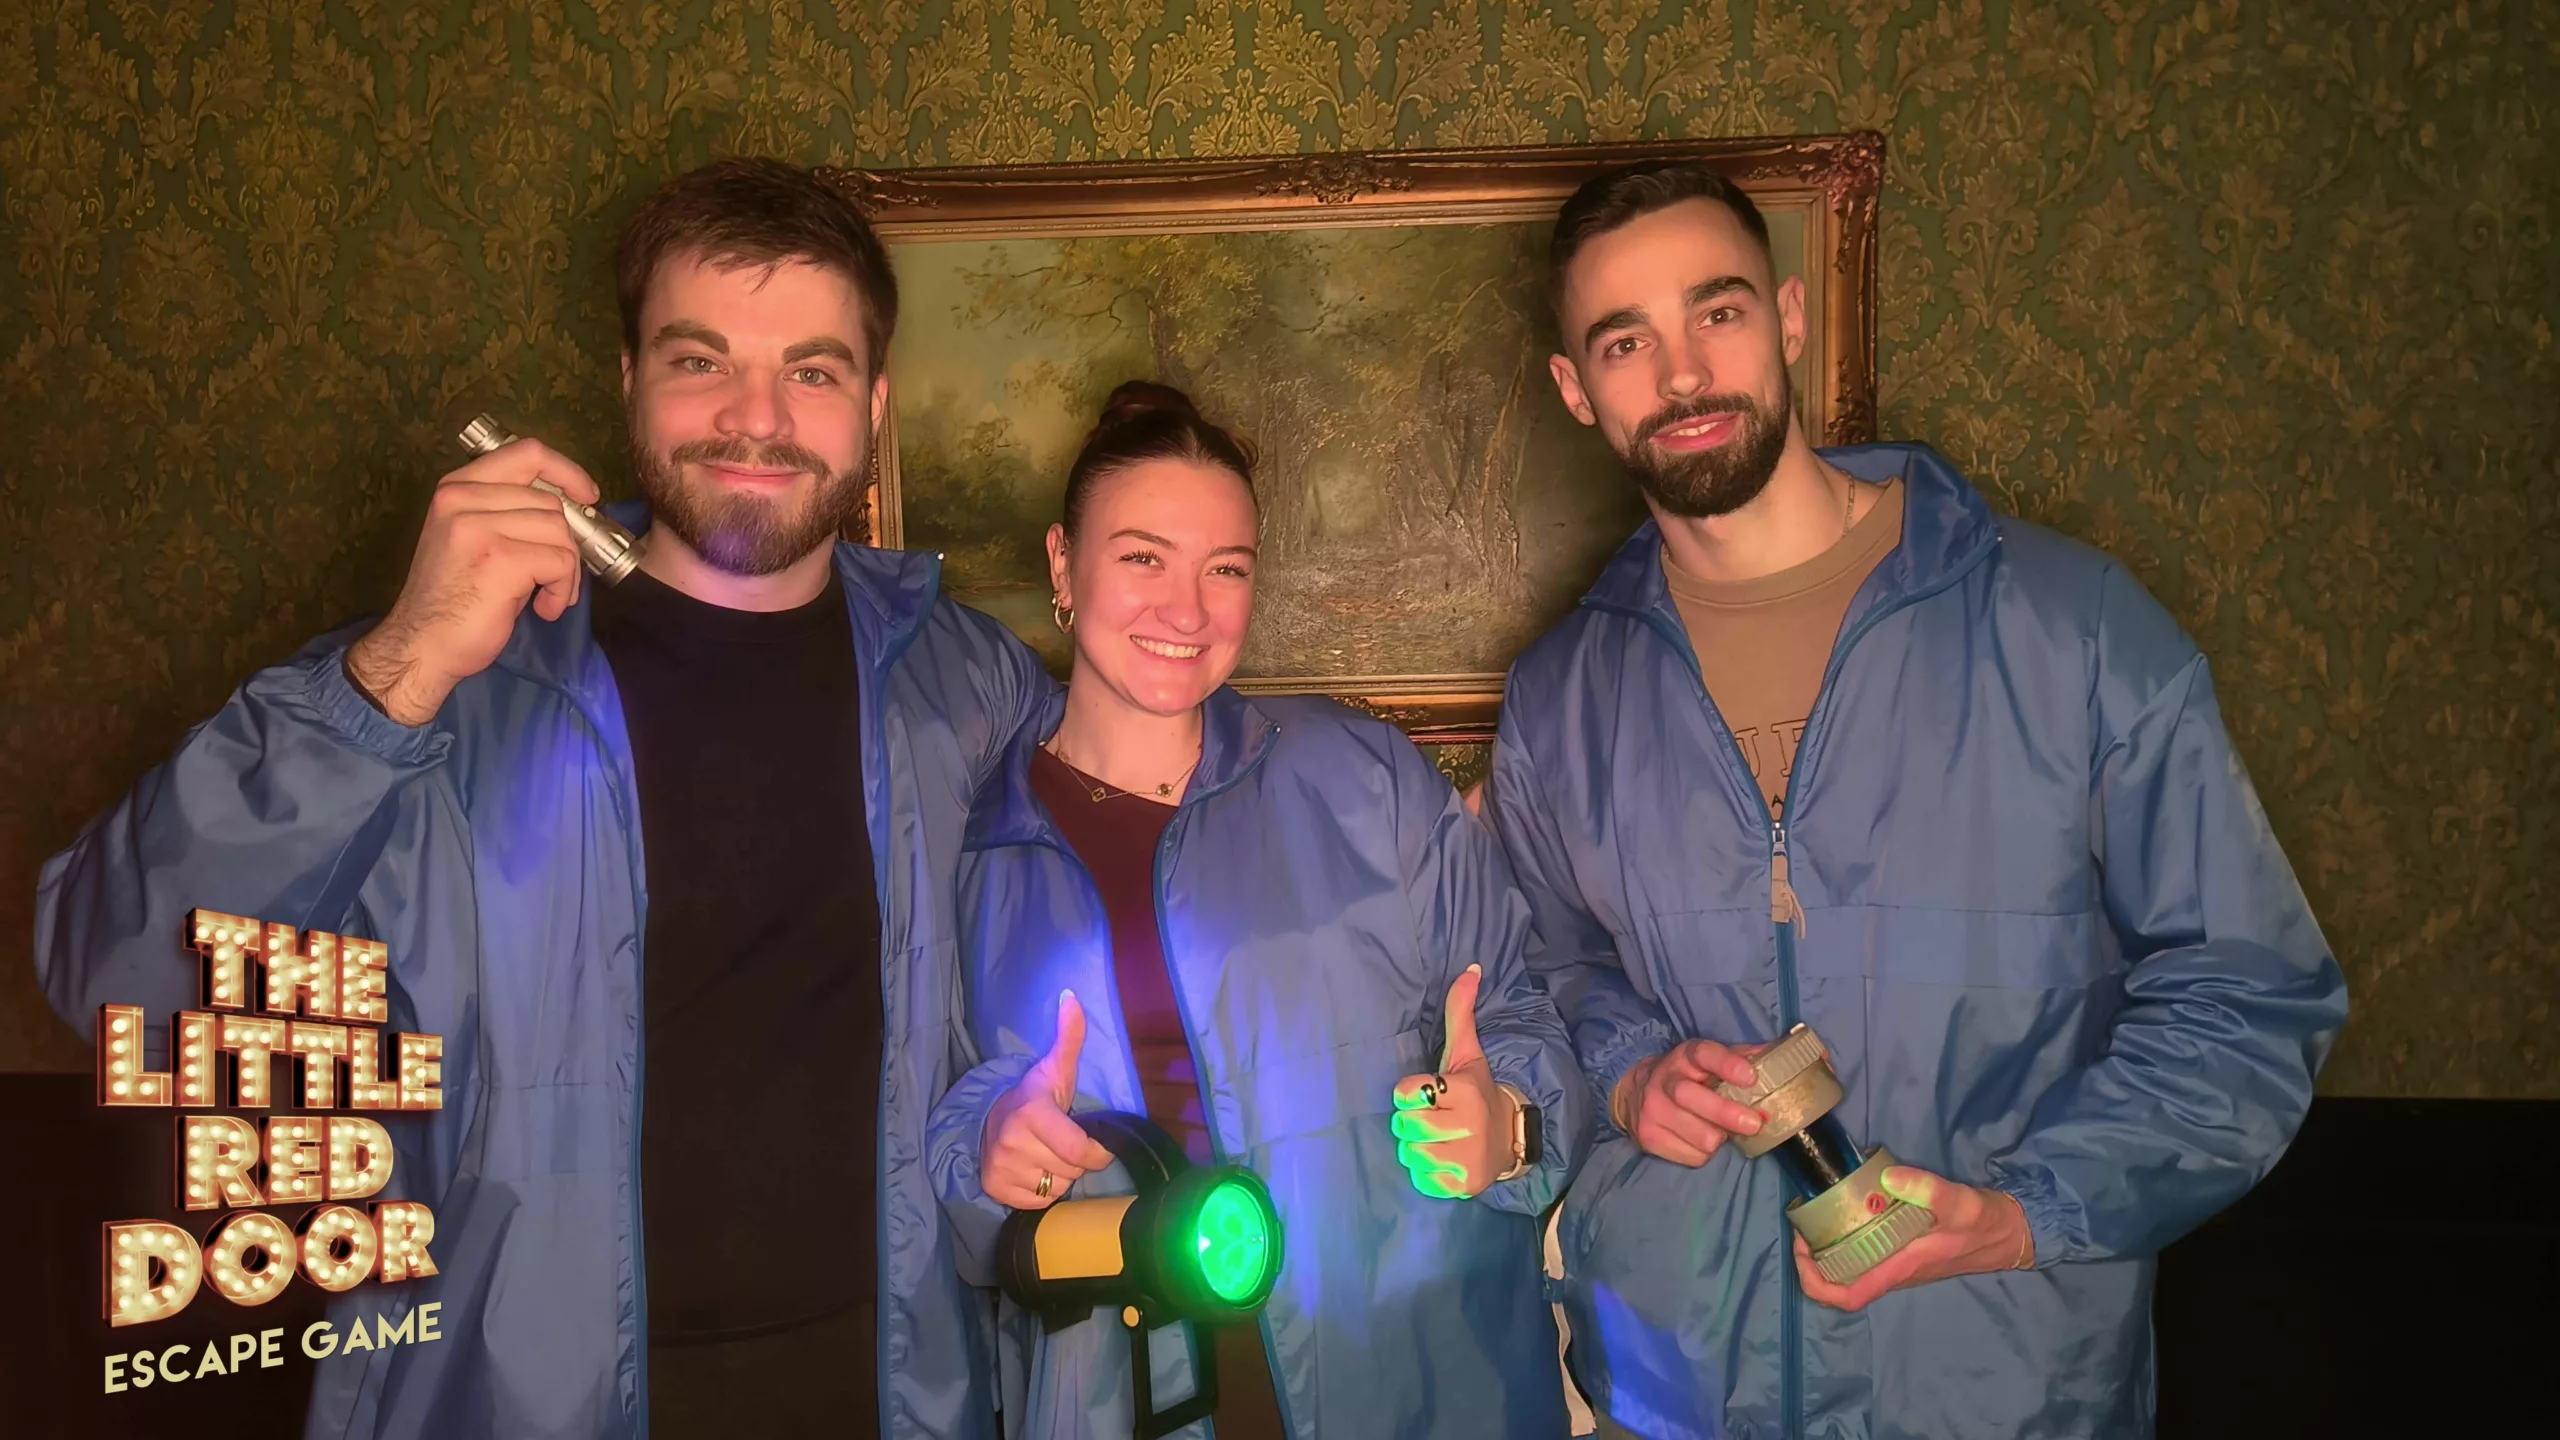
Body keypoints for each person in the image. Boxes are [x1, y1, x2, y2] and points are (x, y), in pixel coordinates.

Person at [35, 158, 1045, 1439]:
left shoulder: (967, 681)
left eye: (811, 370)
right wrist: (398, 668)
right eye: (699, 360)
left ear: (872, 403)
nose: (755, 417)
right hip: (511, 1400)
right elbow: (118, 980)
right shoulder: (440, 679)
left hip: (898, 1392)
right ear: (628, 380)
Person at [1485, 160, 2349, 1439]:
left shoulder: (2075, 629)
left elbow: (2249, 996)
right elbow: (1553, 971)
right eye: (1626, 342)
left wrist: (2023, 1215)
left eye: (1716, 311)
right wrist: (1628, 1075)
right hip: (1683, 1393)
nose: (1682, 374)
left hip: (2005, 1389)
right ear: (1575, 388)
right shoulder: (1559, 698)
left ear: (1787, 319)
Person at [924, 382, 1592, 1439]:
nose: (1187, 611)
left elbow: (1516, 1012)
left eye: (1225, 569)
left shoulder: (1365, 779)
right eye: (1143, 557)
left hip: (1415, 1381)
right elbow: (938, 1124)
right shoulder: (969, 847)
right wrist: (988, 1152)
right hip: (1117, 1397)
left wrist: (1507, 1123)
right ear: (1062, 564)